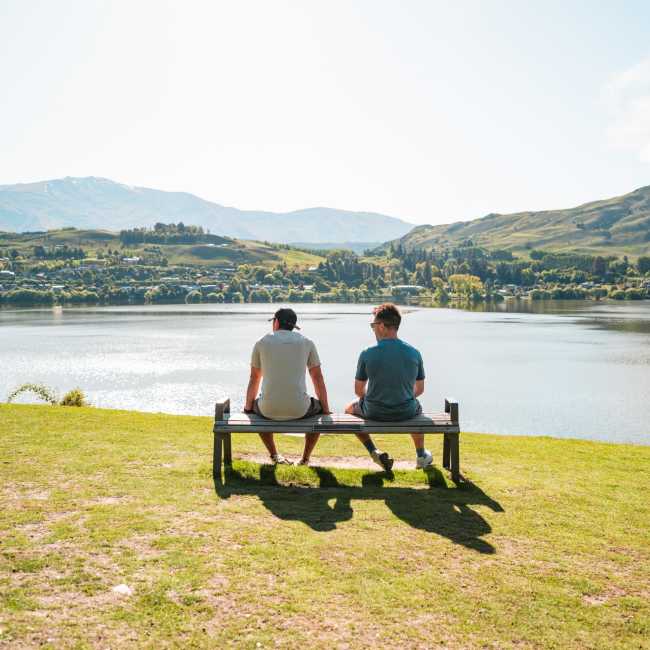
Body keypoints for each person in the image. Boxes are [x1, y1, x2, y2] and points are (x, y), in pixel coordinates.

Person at [344, 303, 433, 470]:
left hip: (374, 411)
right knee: (417, 408)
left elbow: (358, 391)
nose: (373, 329)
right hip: (406, 411)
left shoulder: (367, 353)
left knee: (349, 408)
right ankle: (421, 455)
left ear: (383, 326)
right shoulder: (414, 353)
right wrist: (402, 396)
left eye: (374, 325)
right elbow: (419, 389)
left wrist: (373, 399)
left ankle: (373, 452)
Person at [244, 307, 331, 466]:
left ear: (276, 322)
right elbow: (317, 378)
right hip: (300, 409)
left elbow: (254, 378)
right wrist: (325, 409)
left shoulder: (261, 342)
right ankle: (305, 458)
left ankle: (274, 455)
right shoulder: (307, 342)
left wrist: (248, 408)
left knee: (256, 408)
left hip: (267, 409)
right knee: (318, 411)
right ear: (293, 326)